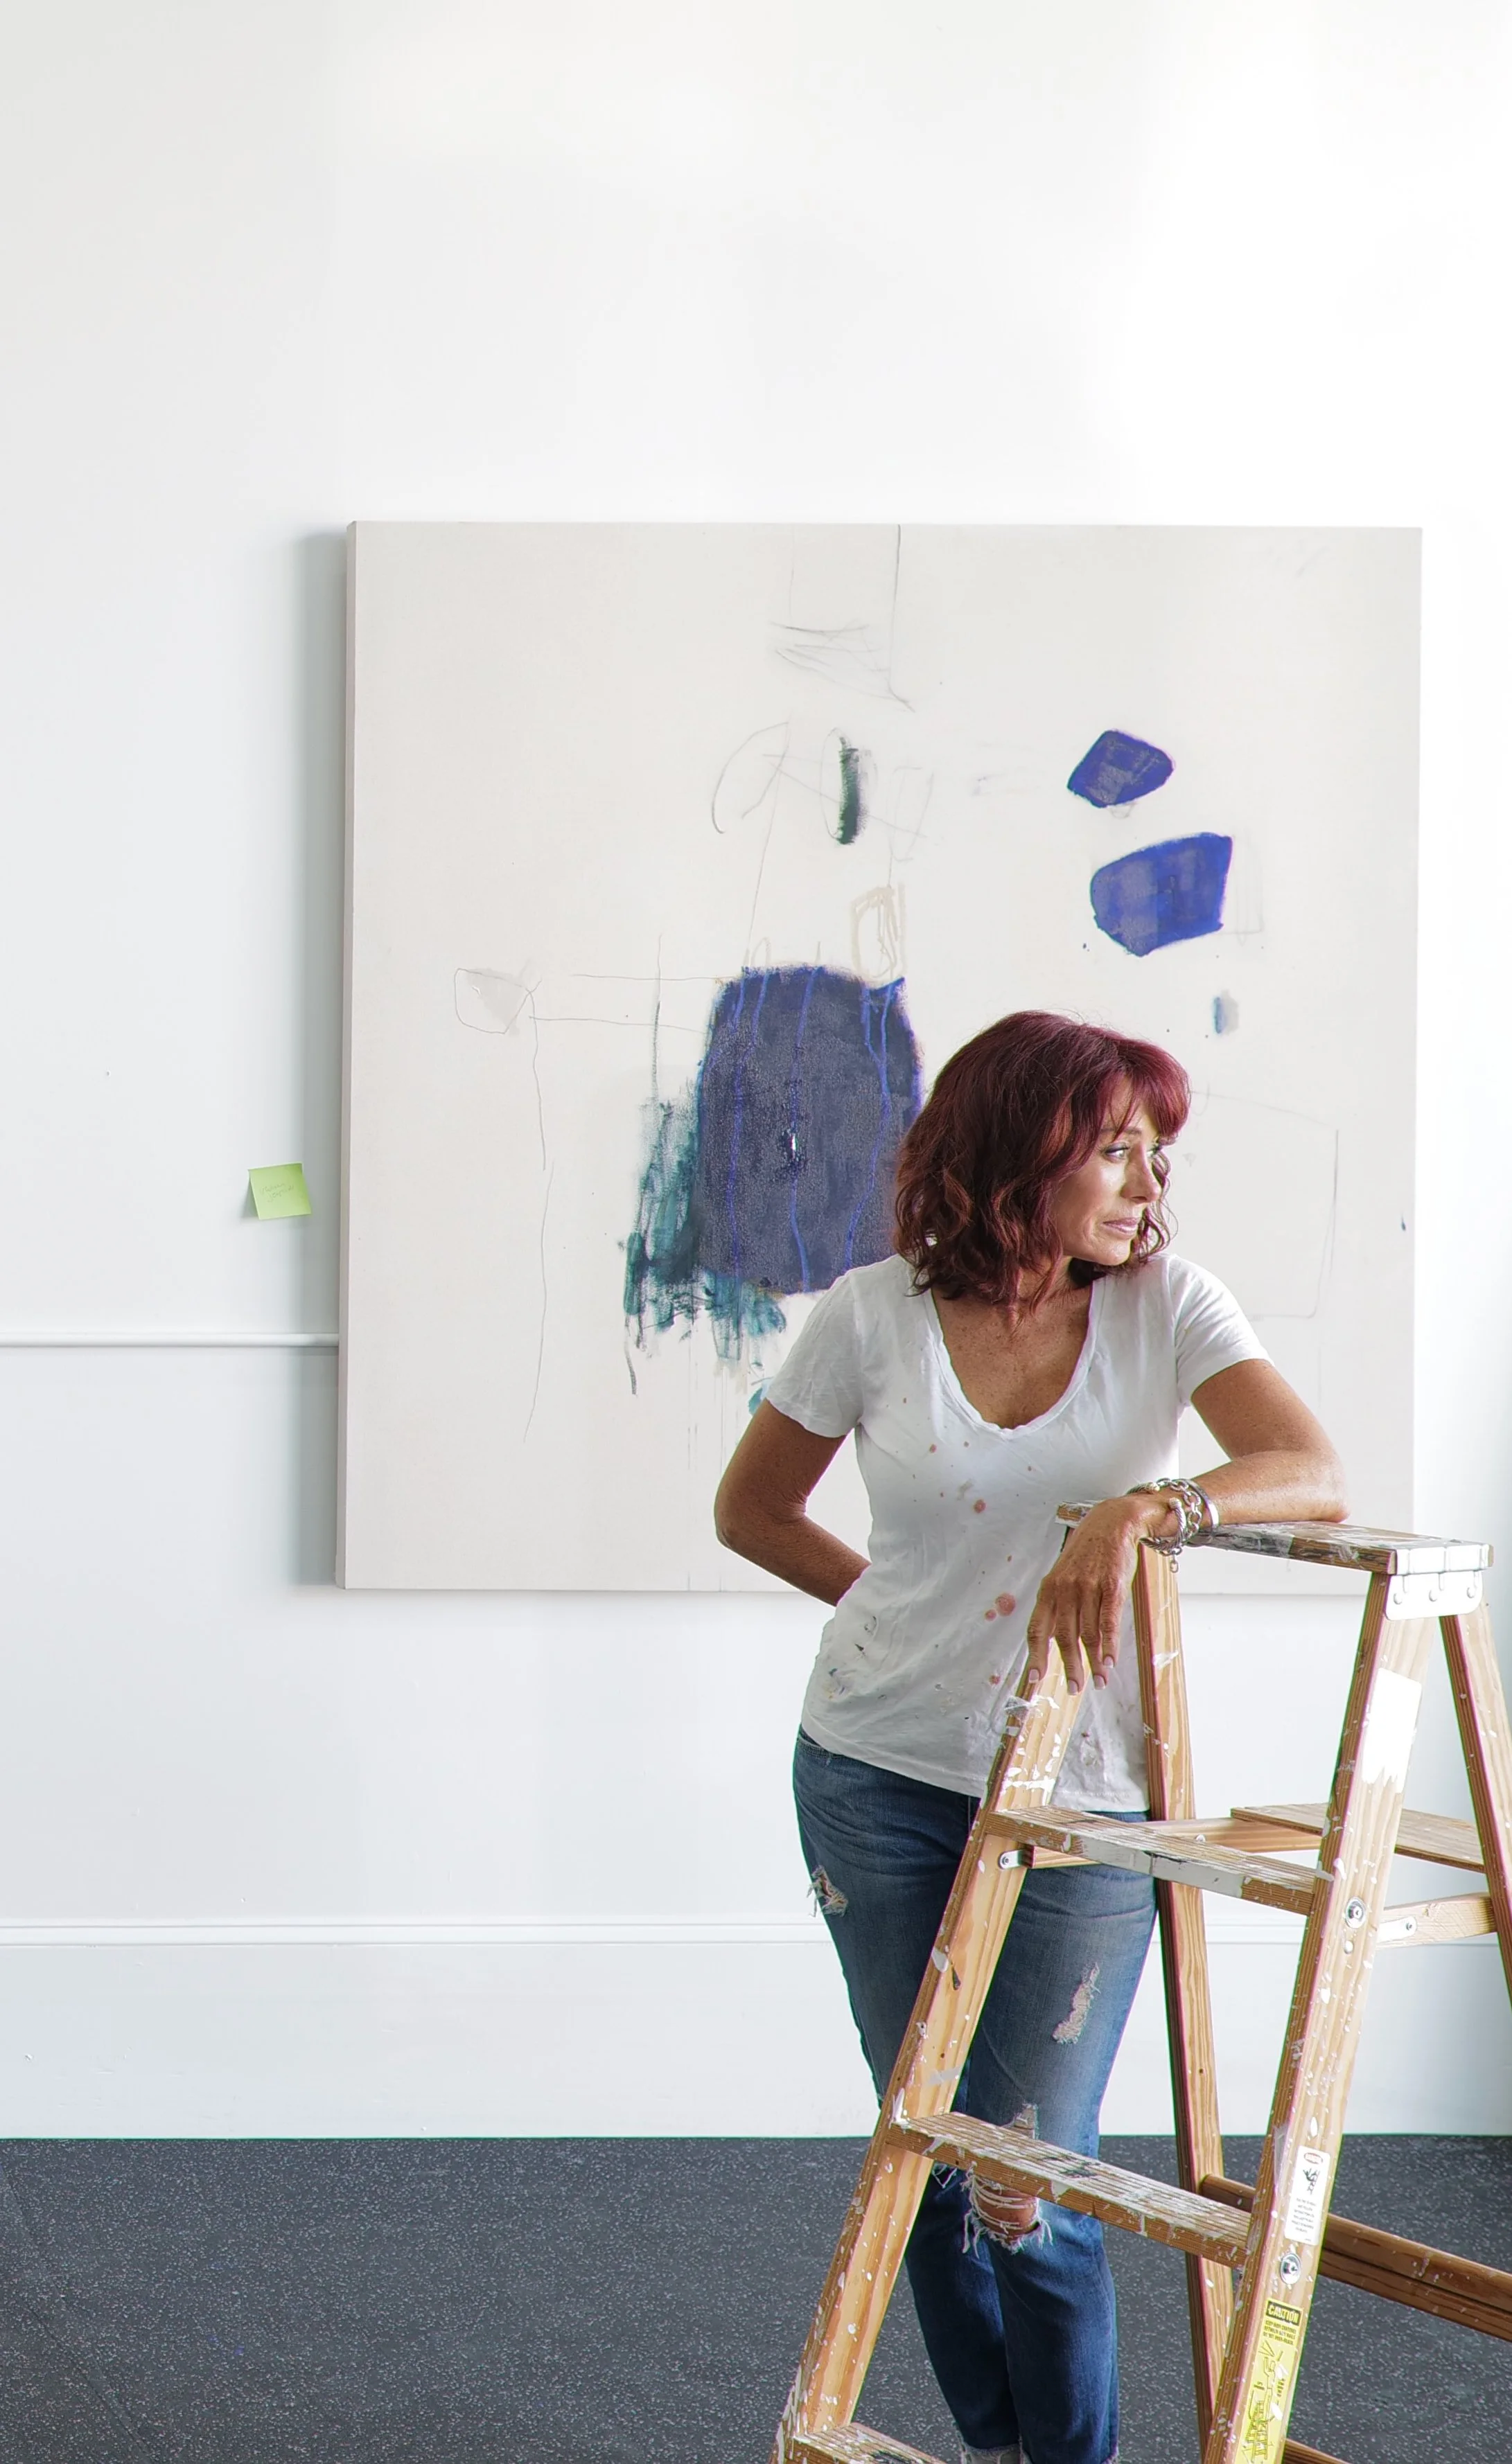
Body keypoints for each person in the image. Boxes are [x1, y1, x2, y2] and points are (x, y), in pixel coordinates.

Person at [714, 1011, 1346, 2464]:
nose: (1145, 1183)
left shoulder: (1167, 1302)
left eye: (1154, 1152)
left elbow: (1307, 1466)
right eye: (1113, 1149)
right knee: (927, 2140)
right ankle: (1001, 2439)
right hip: (872, 1770)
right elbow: (748, 1508)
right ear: (1019, 1159)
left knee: (1025, 2171)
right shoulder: (869, 1313)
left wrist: (1148, 1506)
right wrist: (906, 1612)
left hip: (1085, 1795)